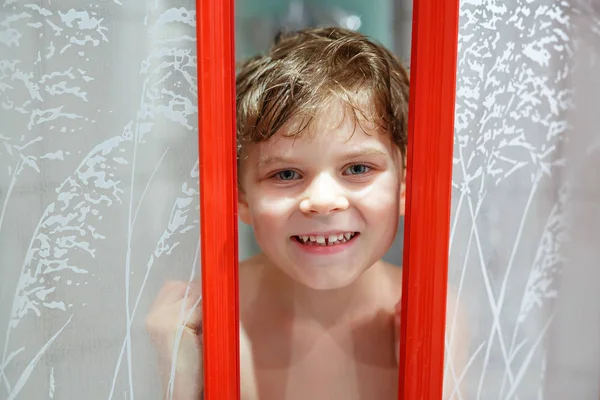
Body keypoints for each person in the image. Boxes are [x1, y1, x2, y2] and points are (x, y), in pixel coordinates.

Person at [146, 26, 467, 400]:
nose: (323, 200)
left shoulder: (439, 314)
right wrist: (178, 385)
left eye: (358, 168)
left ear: (406, 186)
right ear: (241, 198)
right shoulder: (203, 322)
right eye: (285, 174)